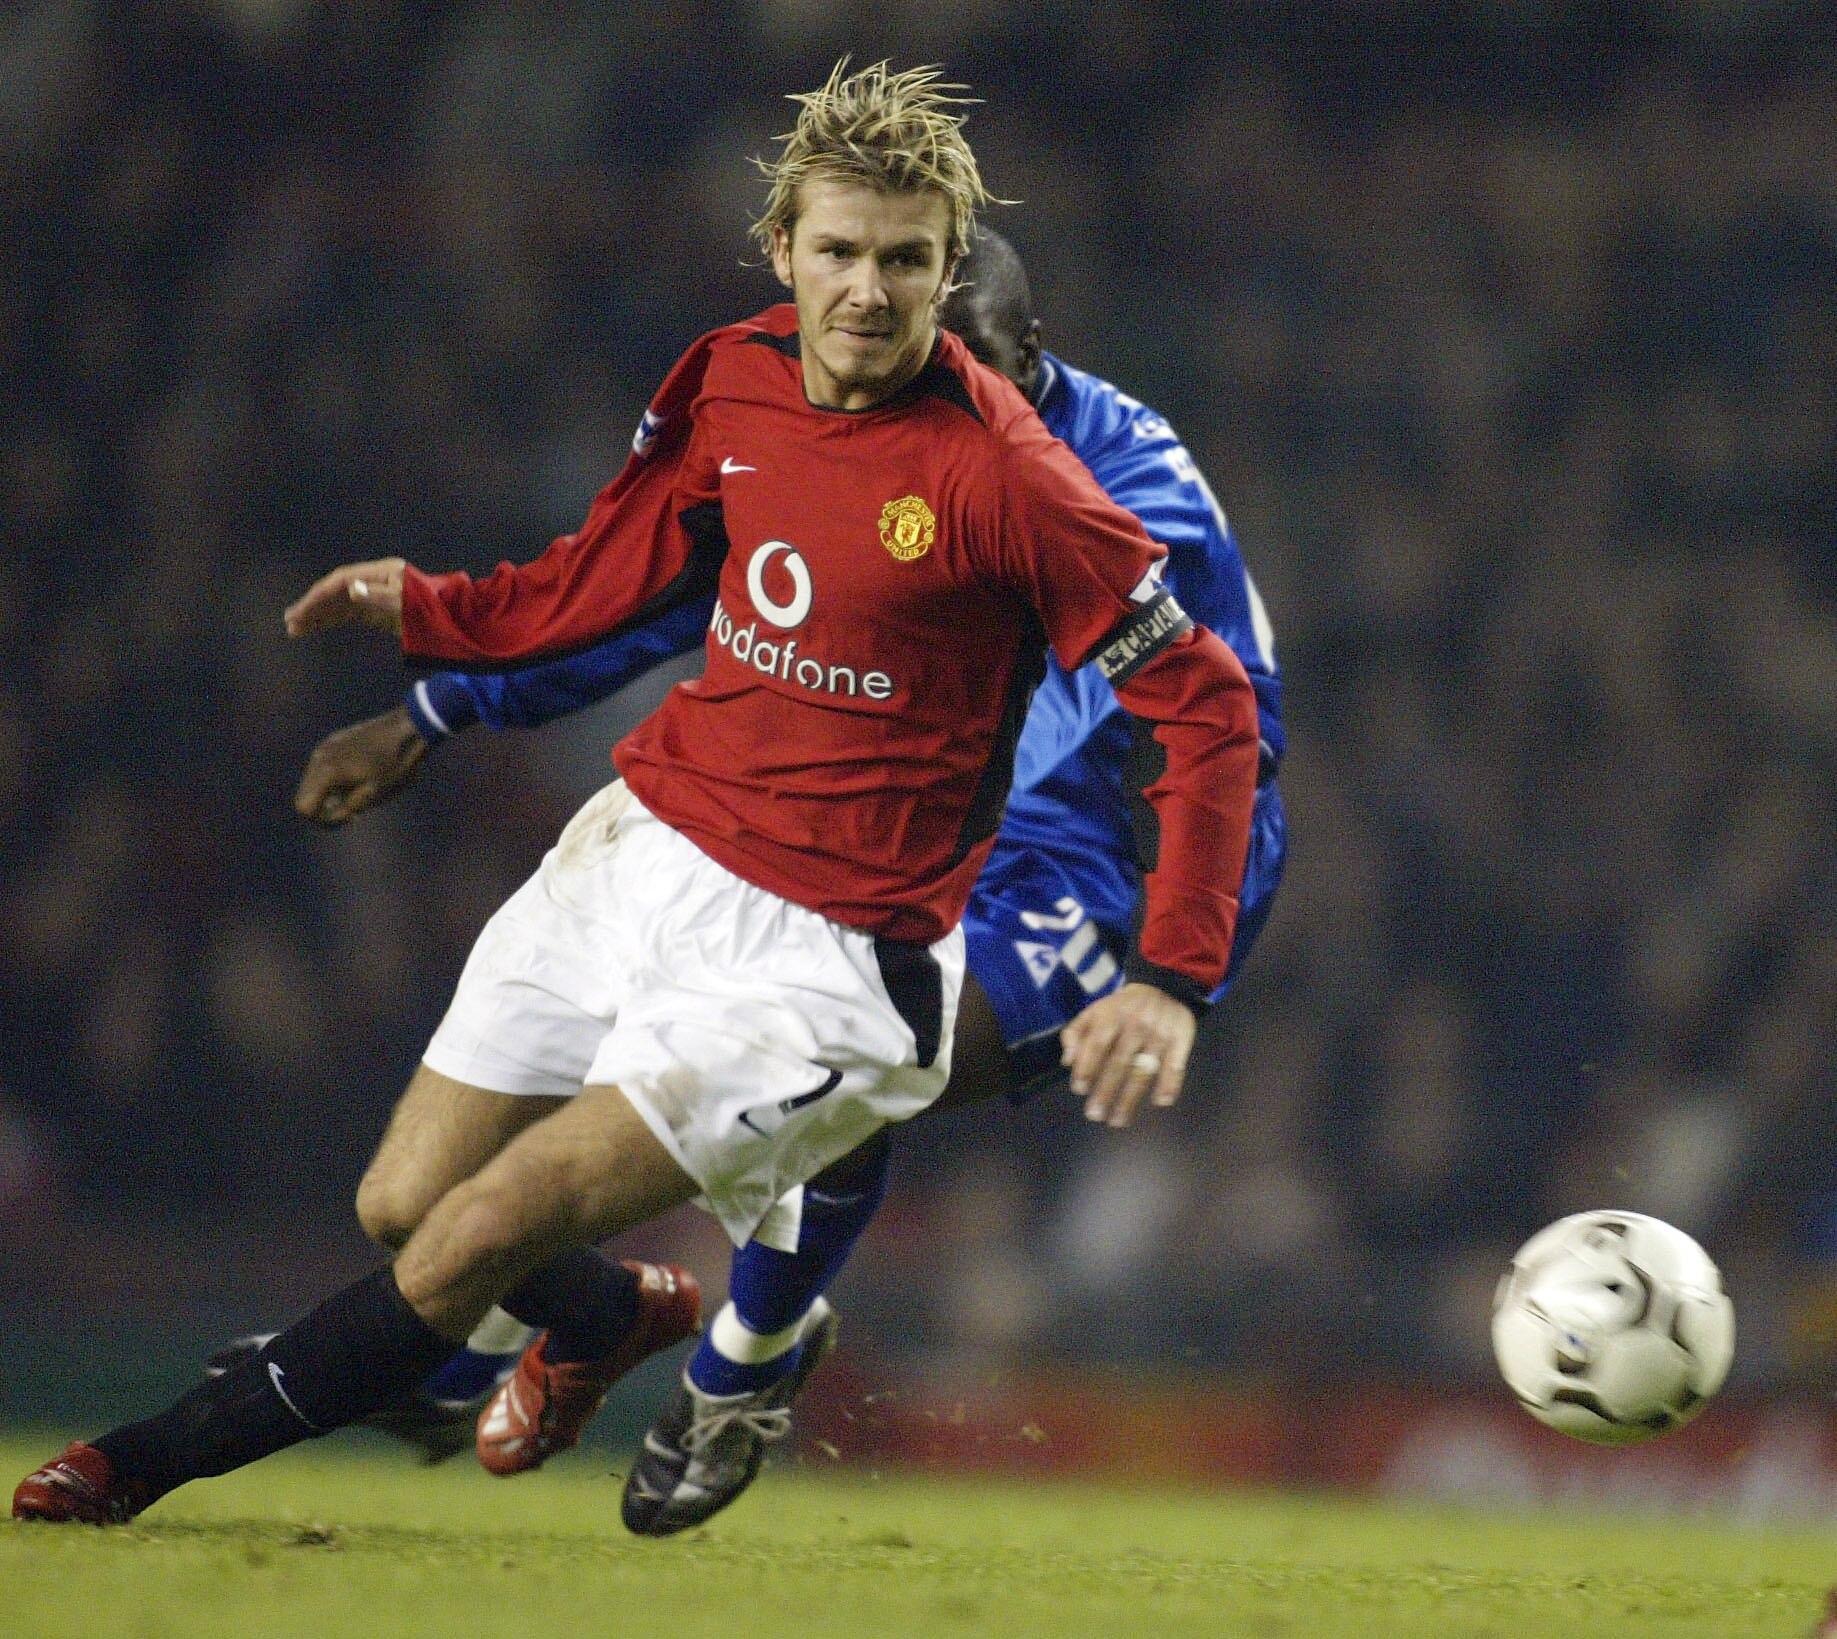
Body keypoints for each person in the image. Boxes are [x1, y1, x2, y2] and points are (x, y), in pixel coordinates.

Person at [14, 60, 1262, 1532]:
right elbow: (613, 576)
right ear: (784, 247)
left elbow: (1211, 703)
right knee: (406, 1205)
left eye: (907, 260)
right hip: (643, 848)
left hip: (818, 955)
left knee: (477, 1230)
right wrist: (435, 622)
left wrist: (1172, 971)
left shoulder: (1017, 479)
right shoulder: (730, 373)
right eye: (842, 253)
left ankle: (134, 1462)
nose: (869, 291)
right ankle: (610, 1319)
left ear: (945, 266)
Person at [265, 227, 1288, 1508]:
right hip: (887, 815)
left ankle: (738, 1367)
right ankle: (474, 1339)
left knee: (854, 1043)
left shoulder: (1118, 492)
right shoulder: (852, 424)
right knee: (667, 1034)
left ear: (1030, 364)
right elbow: (687, 593)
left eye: (956, 367)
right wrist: (440, 708)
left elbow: (1226, 732)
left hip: (1076, 863)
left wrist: (1173, 971)